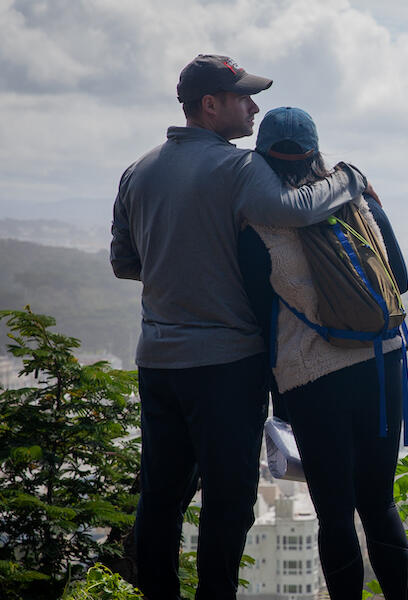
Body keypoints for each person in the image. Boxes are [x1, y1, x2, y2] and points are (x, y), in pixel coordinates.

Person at [109, 54, 368, 600]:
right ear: (210, 105)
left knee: (160, 495)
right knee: (228, 500)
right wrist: (349, 179)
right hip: (225, 363)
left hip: (157, 358)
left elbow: (124, 261)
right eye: (243, 98)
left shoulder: (137, 171)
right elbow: (292, 210)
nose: (254, 108)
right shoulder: (238, 167)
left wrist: (177, 273)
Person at [236, 106, 408, 600]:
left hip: (312, 375)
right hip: (382, 362)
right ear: (316, 153)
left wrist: (279, 400)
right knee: (379, 502)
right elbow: (399, 280)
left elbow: (258, 317)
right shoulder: (361, 202)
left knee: (334, 511)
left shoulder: (257, 226)